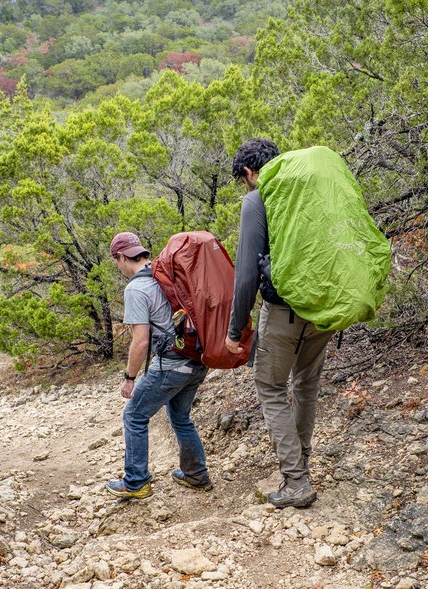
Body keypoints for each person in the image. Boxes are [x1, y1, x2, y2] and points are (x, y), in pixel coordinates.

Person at [224, 139, 335, 509]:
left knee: (270, 387)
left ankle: (296, 480)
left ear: (249, 173)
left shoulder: (258, 199)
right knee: (306, 384)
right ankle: (301, 465)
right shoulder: (309, 190)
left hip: (283, 311)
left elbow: (246, 276)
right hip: (323, 304)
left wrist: (235, 330)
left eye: (244, 180)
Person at [106, 232, 212, 499]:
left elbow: (140, 341)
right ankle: (196, 475)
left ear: (121, 257)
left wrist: (129, 377)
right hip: (197, 360)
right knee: (180, 417)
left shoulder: (136, 288)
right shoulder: (167, 275)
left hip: (171, 366)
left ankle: (136, 482)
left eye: (116, 261)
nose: (118, 267)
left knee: (134, 416)